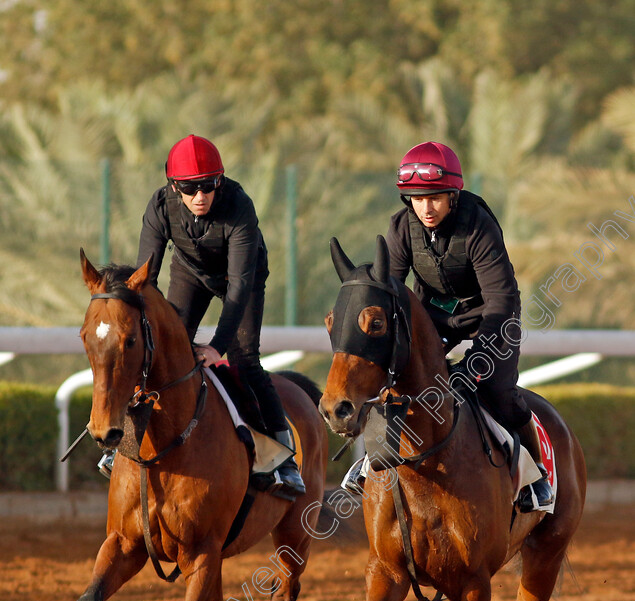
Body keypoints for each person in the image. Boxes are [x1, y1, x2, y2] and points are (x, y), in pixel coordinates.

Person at [345, 141, 553, 512]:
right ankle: (368, 461)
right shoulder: (401, 226)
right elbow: (391, 293)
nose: (426, 208)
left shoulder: (478, 226)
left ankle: (537, 474)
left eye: (435, 198)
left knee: (494, 387)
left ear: (453, 195)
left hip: (492, 315)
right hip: (435, 318)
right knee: (395, 375)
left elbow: (501, 299)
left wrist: (478, 356)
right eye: (416, 199)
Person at [100, 134, 305, 499]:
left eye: (208, 186)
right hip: (190, 273)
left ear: (220, 181)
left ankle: (284, 458)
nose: (200, 196)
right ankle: (126, 442)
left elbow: (239, 287)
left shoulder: (240, 205)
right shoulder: (161, 205)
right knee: (156, 355)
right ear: (173, 185)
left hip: (242, 279)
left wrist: (217, 347)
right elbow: (146, 279)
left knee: (244, 360)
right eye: (190, 188)